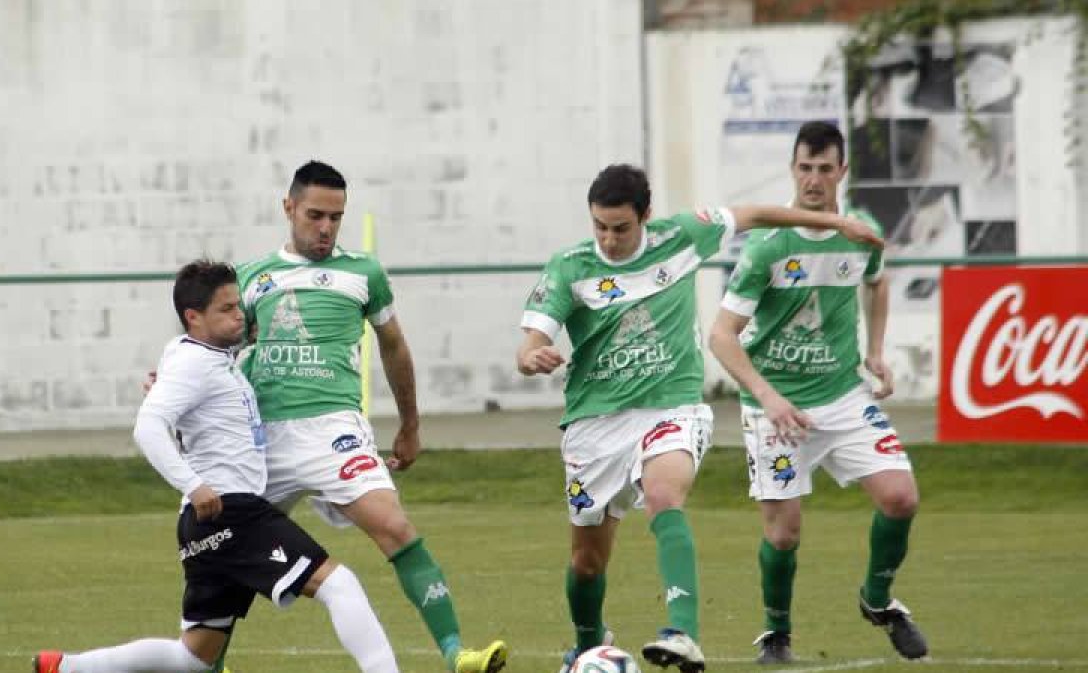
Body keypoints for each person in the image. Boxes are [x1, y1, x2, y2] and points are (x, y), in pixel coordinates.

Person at [515, 163, 884, 673]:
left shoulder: (683, 235)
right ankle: (587, 643)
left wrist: (838, 225)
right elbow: (531, 340)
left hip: (673, 406)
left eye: (621, 227)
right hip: (594, 422)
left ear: (645, 216)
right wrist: (532, 355)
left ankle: (681, 632)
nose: (609, 238)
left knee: (664, 494)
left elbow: (755, 214)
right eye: (599, 226)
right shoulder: (570, 267)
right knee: (586, 561)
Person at [34, 260, 399, 673]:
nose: (239, 315)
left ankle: (66, 668)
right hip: (230, 512)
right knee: (340, 585)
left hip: (205, 524)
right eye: (226, 309)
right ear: (194, 317)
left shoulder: (199, 356)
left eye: (237, 305)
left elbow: (190, 370)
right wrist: (194, 485)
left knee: (194, 659)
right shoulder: (192, 364)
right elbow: (148, 427)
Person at [231, 160, 506, 673]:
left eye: (336, 217)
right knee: (231, 552)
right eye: (315, 214)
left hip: (336, 431)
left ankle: (456, 653)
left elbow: (395, 346)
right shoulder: (251, 278)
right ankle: (210, 661)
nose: (326, 227)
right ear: (288, 207)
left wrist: (410, 424)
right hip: (265, 439)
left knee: (395, 527)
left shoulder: (364, 273)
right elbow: (219, 355)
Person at [707, 121, 928, 664]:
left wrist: (876, 350)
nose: (813, 179)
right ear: (792, 169)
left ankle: (877, 601)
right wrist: (769, 396)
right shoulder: (767, 246)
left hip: (844, 395)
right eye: (804, 168)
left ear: (841, 172)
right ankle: (776, 633)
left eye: (824, 168)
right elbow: (720, 336)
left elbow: (876, 281)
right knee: (783, 534)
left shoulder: (861, 231)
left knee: (901, 498)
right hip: (774, 405)